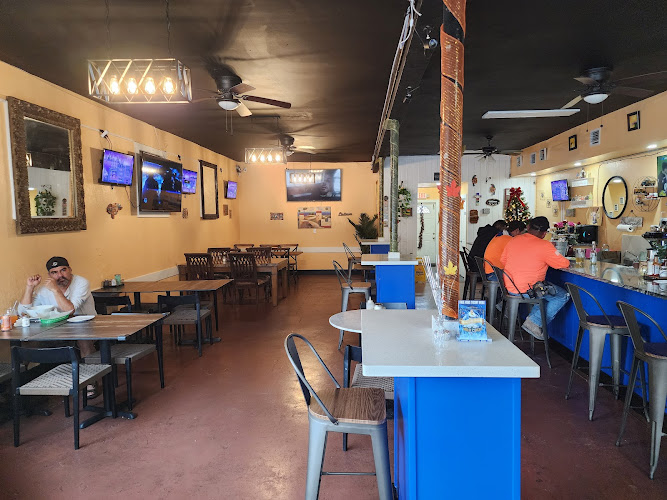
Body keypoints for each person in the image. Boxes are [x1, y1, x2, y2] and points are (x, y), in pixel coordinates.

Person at [18, 257, 98, 394]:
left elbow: (70, 309)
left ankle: (90, 381)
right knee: (28, 342)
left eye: (63, 270)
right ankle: (19, 382)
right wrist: (29, 287)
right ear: (49, 275)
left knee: (83, 339)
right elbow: (22, 312)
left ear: (70, 270)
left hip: (86, 324)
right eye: (54, 272)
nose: (60, 275)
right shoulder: (45, 289)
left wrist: (56, 290)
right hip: (58, 328)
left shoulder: (81, 283)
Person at [500, 216, 570, 340]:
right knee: (561, 295)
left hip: (510, 287)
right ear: (544, 233)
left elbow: (502, 260)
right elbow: (564, 264)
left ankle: (531, 319)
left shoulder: (514, 240)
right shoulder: (545, 245)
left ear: (528, 227)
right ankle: (534, 322)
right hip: (529, 290)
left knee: (545, 291)